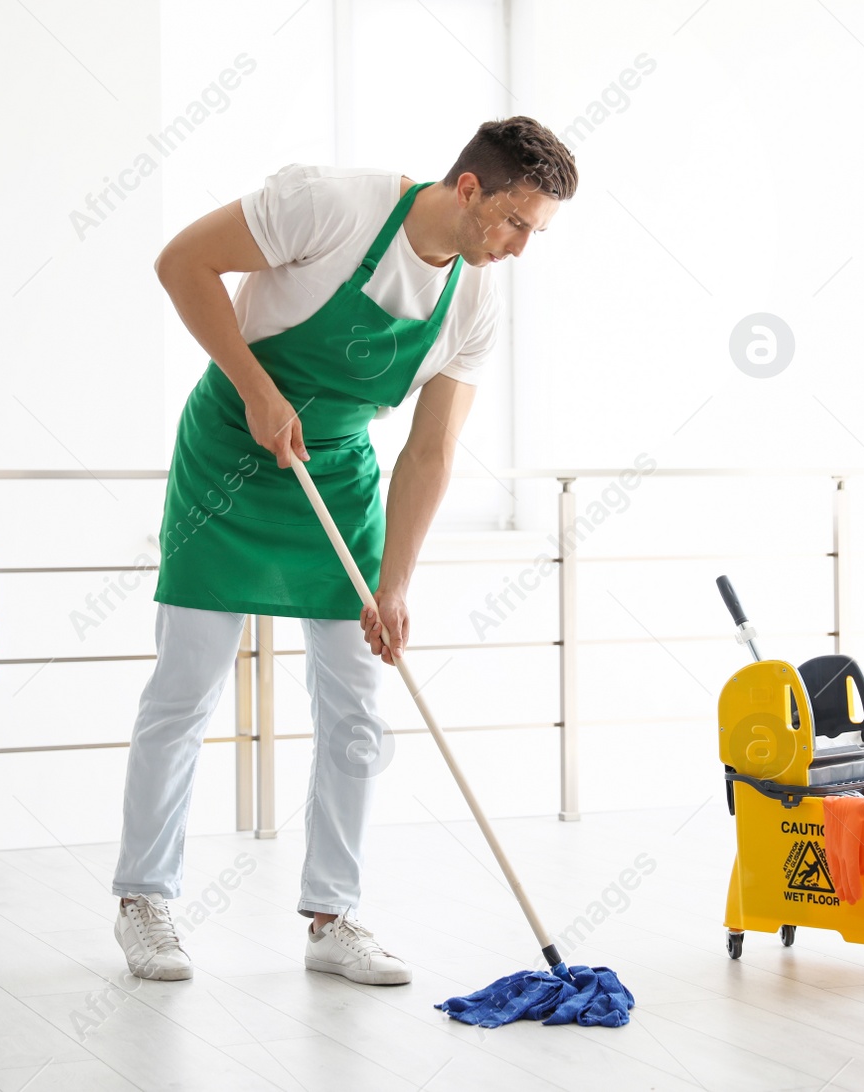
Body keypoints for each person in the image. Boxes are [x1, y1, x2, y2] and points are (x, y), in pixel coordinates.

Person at [109, 117, 577, 984]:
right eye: (516, 223)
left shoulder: (474, 301)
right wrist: (255, 387)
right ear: (470, 188)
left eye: (534, 235)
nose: (518, 249)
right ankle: (145, 901)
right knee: (185, 690)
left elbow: (431, 450)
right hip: (231, 455)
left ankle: (334, 917)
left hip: (340, 475)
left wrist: (395, 583)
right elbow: (181, 262)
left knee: (358, 710)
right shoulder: (330, 203)